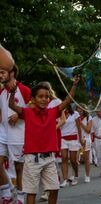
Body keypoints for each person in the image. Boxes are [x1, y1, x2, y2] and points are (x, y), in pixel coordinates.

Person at [8, 76, 79, 204]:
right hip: (32, 159)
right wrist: (13, 91)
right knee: (31, 192)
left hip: (49, 159)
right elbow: (12, 105)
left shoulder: (53, 112)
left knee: (54, 188)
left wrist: (74, 85)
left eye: (46, 97)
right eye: (40, 97)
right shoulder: (27, 112)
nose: (44, 99)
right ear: (33, 99)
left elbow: (68, 101)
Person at [0, 65, 30, 204]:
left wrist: (19, 114)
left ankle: (20, 197)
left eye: (2, 72)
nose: (0, 75)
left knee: (19, 167)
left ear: (12, 73)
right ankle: (7, 191)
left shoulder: (24, 89)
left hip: (18, 134)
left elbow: (34, 109)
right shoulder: (1, 92)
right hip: (3, 133)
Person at [59, 103, 83, 187]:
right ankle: (65, 180)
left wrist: (81, 140)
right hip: (63, 139)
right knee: (64, 158)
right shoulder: (59, 114)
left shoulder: (75, 114)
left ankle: (76, 176)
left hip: (73, 139)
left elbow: (79, 128)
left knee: (73, 160)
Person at [76, 105, 93, 183]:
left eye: (81, 111)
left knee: (86, 159)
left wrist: (81, 123)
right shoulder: (74, 118)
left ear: (84, 111)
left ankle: (87, 176)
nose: (79, 113)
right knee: (74, 159)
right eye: (78, 111)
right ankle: (75, 176)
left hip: (86, 139)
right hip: (76, 139)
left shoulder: (89, 118)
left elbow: (88, 130)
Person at [92, 110, 101, 178]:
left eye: (100, 111)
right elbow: (92, 131)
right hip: (97, 139)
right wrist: (92, 140)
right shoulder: (93, 119)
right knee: (99, 156)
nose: (99, 113)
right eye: (97, 112)